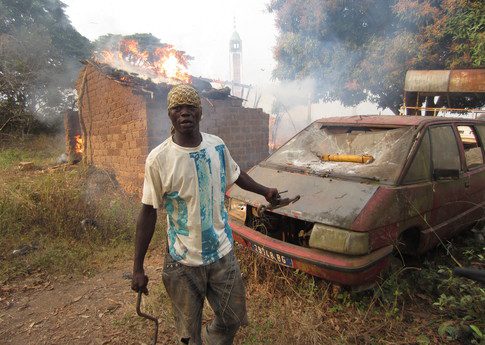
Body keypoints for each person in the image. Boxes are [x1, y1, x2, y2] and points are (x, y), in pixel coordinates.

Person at [131, 84, 279, 345]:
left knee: (232, 318)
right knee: (188, 335)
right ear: (170, 115)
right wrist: (138, 267)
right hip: (183, 261)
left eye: (191, 108)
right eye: (178, 108)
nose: (185, 113)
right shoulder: (159, 159)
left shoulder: (217, 146)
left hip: (222, 254)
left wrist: (265, 190)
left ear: (200, 113)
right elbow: (148, 212)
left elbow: (236, 174)